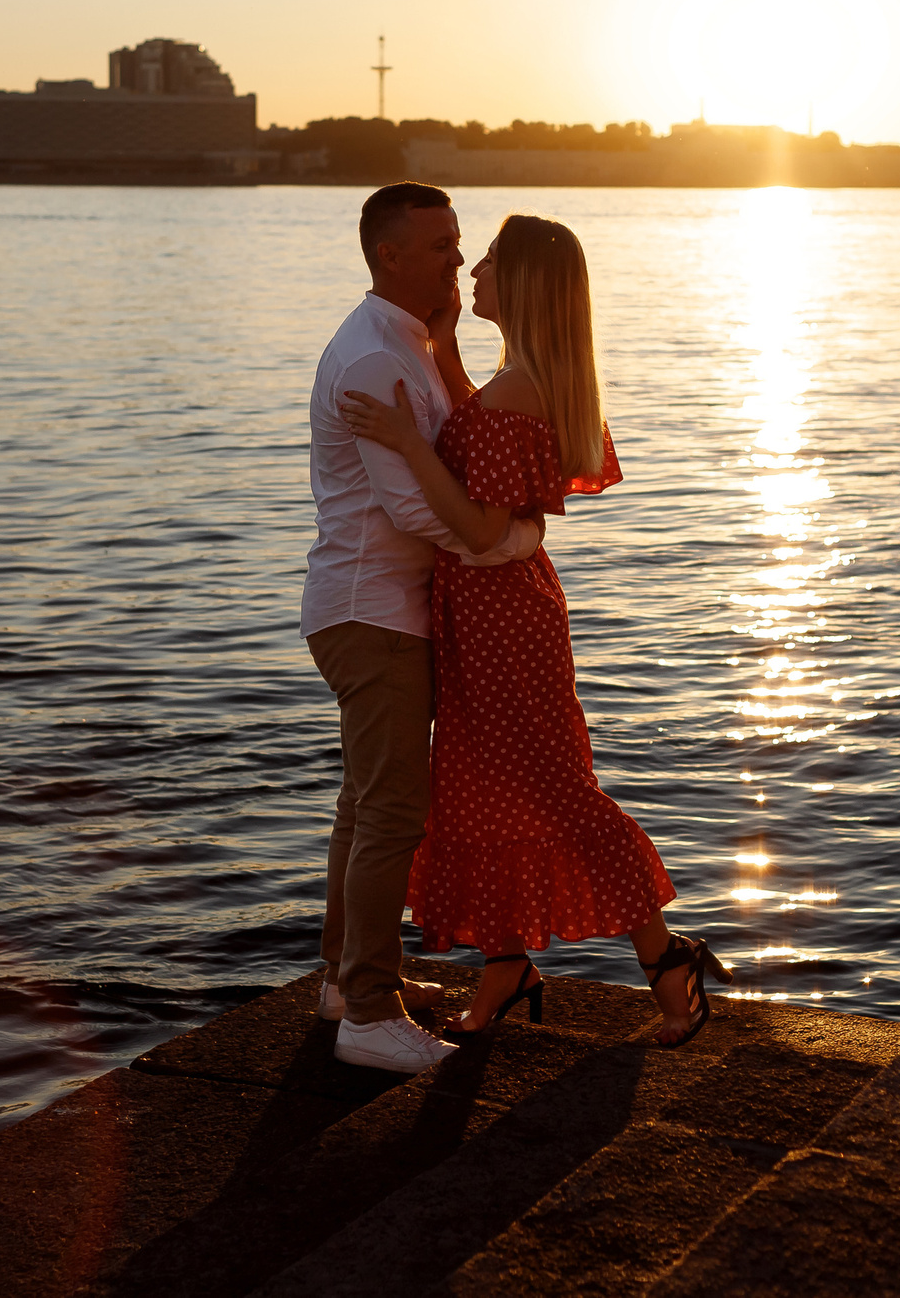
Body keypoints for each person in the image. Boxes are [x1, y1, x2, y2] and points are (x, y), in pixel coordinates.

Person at [341, 212, 734, 1047]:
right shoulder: (516, 378)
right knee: (483, 793)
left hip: (502, 616)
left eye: (487, 260)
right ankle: (506, 967)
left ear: (520, 282)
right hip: (488, 611)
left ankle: (669, 962)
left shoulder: (519, 391)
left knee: (556, 791)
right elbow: (491, 481)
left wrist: (409, 440)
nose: (471, 269)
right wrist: (445, 354)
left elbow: (483, 529)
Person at [303, 182, 546, 1074]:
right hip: (375, 612)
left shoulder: (413, 346)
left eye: (458, 241)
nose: (457, 256)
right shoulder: (374, 359)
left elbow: (464, 446)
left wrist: (448, 347)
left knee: (365, 807)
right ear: (388, 258)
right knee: (393, 813)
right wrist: (513, 535)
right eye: (440, 245)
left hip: (385, 610)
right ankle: (367, 1012)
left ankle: (345, 981)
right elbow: (419, 512)